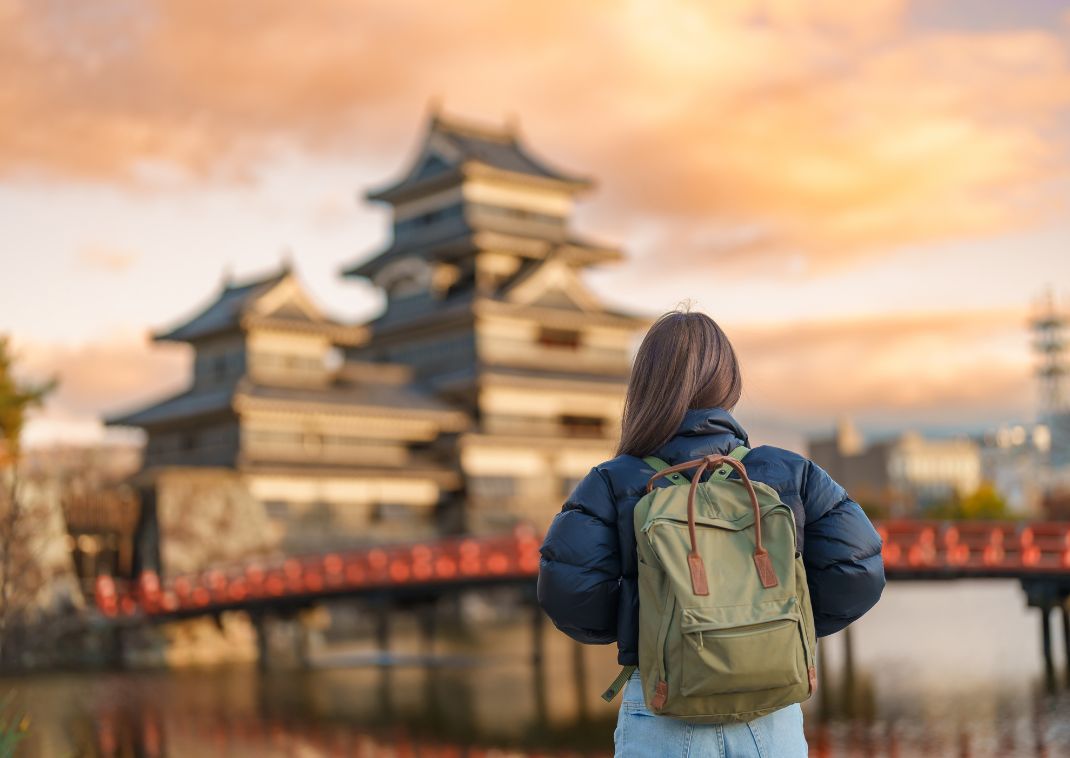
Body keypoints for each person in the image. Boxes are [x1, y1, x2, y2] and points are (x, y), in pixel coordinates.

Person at [537, 309, 886, 757]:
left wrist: (651, 623)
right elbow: (859, 568)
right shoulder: (790, 473)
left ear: (645, 388)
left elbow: (568, 593)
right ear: (729, 383)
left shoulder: (612, 481)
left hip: (663, 708)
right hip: (771, 709)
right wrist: (777, 624)